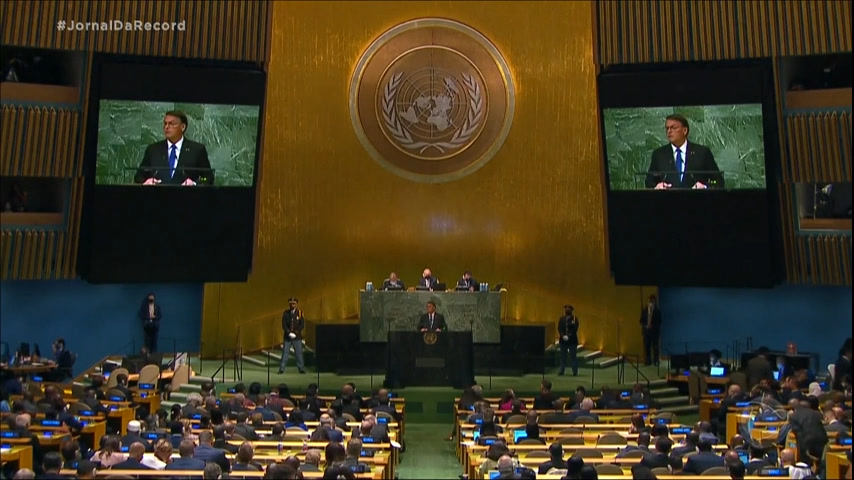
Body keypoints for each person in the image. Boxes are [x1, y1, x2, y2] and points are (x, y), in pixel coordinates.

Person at [645, 113, 723, 190]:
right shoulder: (659, 154)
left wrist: (705, 187)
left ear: (685, 130)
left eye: (673, 128)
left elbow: (718, 181)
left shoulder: (702, 152)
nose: (669, 131)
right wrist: (657, 187)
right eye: (667, 128)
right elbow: (649, 182)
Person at [134, 110, 213, 186]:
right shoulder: (153, 149)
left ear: (182, 127)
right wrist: (147, 181)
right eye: (165, 124)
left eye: (172, 123)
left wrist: (195, 183)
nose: (167, 127)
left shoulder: (197, 150)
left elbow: (207, 178)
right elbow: (138, 177)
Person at [279, 297, 306, 374]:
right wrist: (288, 332)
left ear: (296, 304)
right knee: (285, 353)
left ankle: (301, 369)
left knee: (299, 353)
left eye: (294, 303)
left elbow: (302, 325)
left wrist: (296, 332)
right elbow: (284, 324)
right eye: (291, 303)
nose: (292, 305)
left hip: (297, 337)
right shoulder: (285, 313)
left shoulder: (300, 313)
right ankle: (282, 369)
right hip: (287, 337)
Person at [558, 305, 580, 376]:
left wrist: (568, 336)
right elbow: (559, 328)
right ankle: (561, 370)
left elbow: (575, 329)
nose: (567, 310)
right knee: (562, 356)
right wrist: (562, 335)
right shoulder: (561, 319)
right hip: (563, 341)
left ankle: (574, 371)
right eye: (566, 309)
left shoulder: (574, 319)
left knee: (573, 356)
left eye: (568, 309)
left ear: (571, 311)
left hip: (572, 341)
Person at [640, 295, 662, 366]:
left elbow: (659, 322)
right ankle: (648, 361)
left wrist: (653, 326)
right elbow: (641, 321)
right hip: (646, 332)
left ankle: (656, 360)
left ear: (655, 302)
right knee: (647, 347)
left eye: (652, 301)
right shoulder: (644, 310)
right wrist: (645, 326)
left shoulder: (657, 311)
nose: (650, 303)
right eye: (649, 301)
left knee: (655, 347)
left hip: (654, 332)